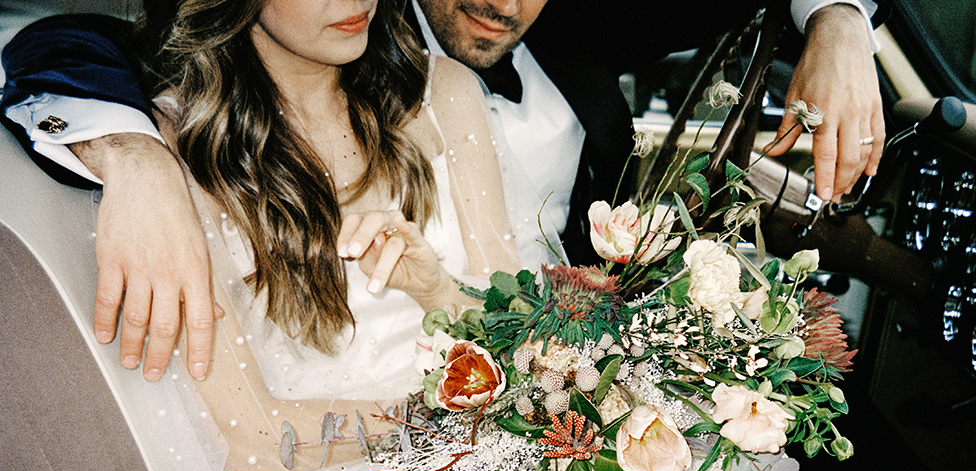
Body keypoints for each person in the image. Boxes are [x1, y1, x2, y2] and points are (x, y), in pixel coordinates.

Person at [1, 0, 884, 385]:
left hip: (549, 334)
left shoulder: (559, 45)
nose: (501, 1)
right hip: (407, 383)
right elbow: (70, 43)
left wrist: (840, 20)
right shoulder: (316, 57)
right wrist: (136, 156)